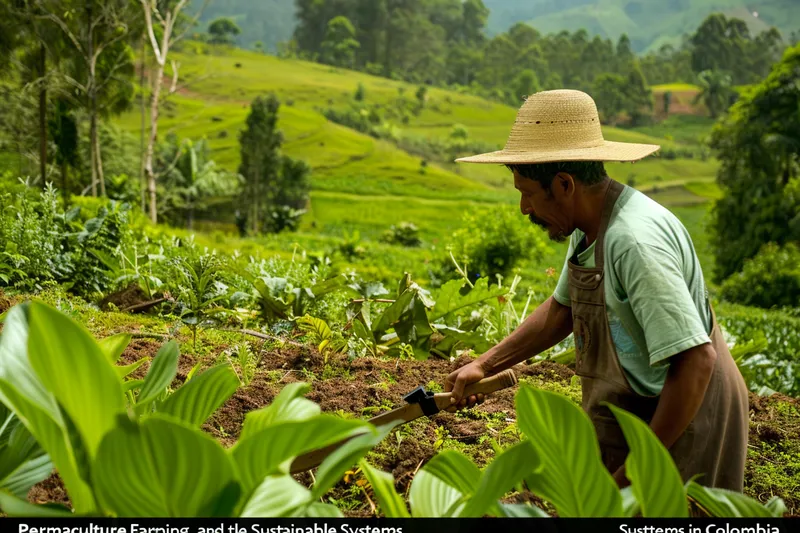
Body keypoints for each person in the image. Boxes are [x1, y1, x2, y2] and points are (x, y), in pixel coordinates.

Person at [445, 89, 749, 491]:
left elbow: (695, 361)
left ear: (565, 184)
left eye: (528, 193)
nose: (523, 208)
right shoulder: (590, 226)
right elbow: (562, 311)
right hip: (641, 404)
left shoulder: (633, 243)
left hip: (687, 411)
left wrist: (638, 473)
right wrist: (485, 364)